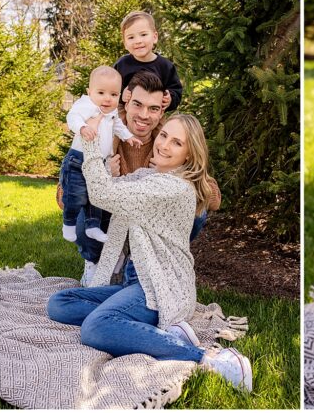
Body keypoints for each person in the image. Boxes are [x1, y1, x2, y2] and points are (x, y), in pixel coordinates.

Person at [47, 113, 253, 392]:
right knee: (60, 303)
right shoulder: (154, 177)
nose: (165, 145)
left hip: (161, 285)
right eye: (165, 135)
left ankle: (209, 358)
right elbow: (116, 188)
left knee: (95, 328)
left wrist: (91, 143)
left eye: (177, 143)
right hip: (138, 280)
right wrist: (109, 171)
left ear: (190, 154)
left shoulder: (171, 187)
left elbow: (103, 195)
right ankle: (153, 328)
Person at [58, 71, 221, 285]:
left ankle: (153, 264)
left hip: (149, 223)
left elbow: (212, 196)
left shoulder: (168, 139)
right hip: (111, 213)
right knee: (84, 208)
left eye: (153, 108)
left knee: (196, 209)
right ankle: (96, 261)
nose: (144, 115)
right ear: (125, 101)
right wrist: (105, 174)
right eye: (137, 105)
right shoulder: (102, 125)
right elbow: (63, 196)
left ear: (162, 111)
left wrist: (168, 175)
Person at [60, 66, 142, 243]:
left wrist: (128, 137)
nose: (107, 99)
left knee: (96, 195)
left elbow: (117, 125)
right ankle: (69, 223)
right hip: (79, 159)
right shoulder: (86, 105)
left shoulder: (111, 111)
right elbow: (73, 117)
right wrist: (83, 127)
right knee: (76, 194)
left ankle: (93, 226)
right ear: (90, 92)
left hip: (100, 161)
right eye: (101, 92)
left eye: (113, 95)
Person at [115, 10, 184, 112]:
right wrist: (121, 95)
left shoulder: (165, 66)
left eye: (143, 35)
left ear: (155, 37)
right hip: (126, 113)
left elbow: (176, 90)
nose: (138, 41)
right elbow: (111, 89)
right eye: (131, 37)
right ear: (125, 44)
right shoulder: (122, 64)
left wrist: (170, 99)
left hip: (153, 113)